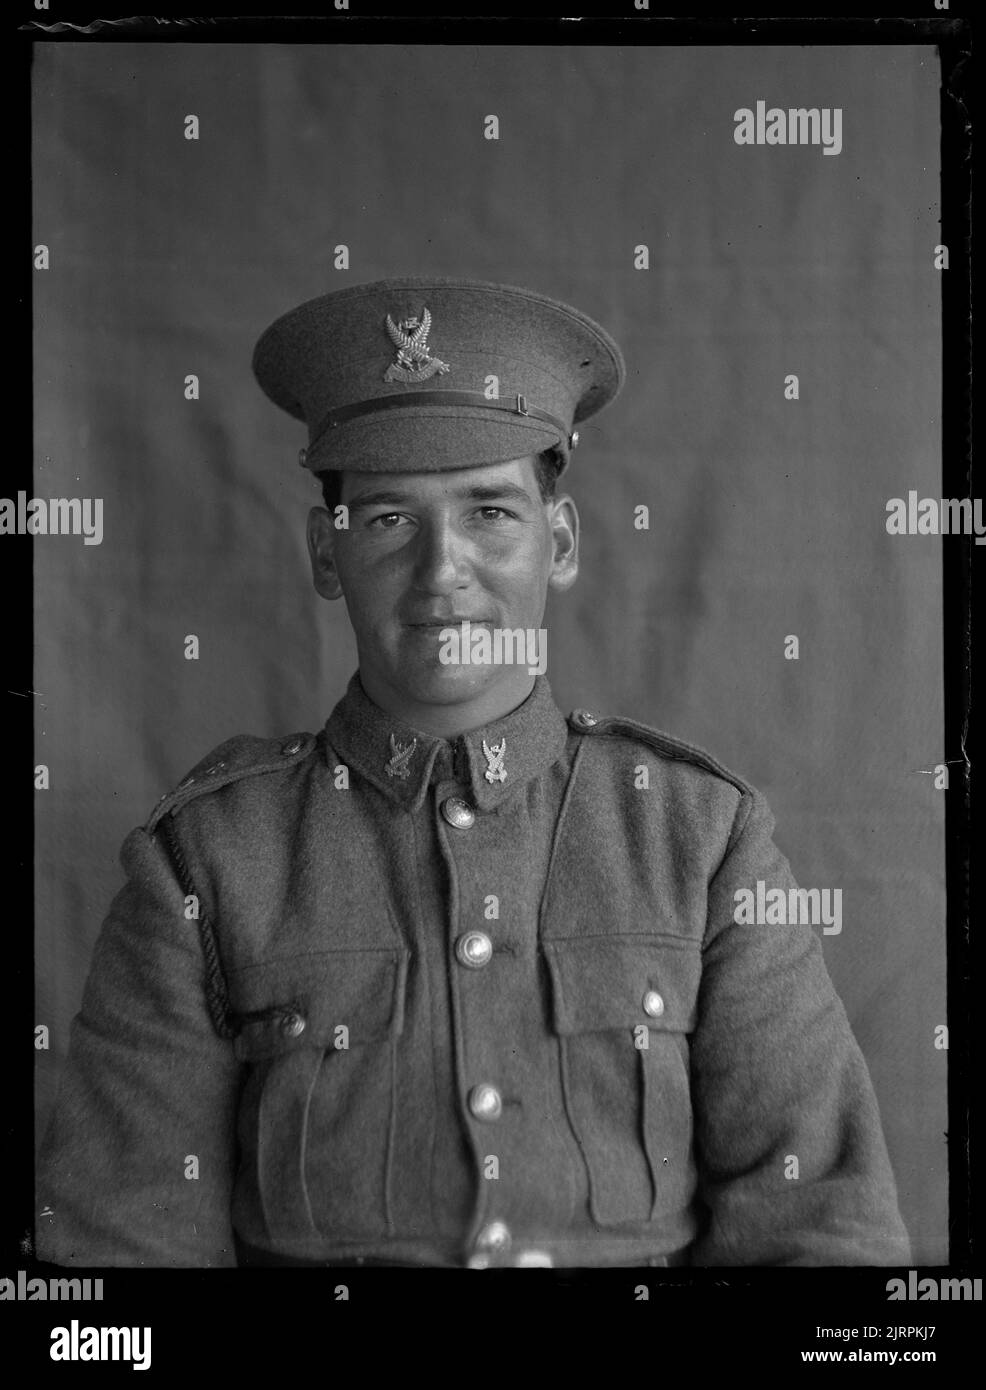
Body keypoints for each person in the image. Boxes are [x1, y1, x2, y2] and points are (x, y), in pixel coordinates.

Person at [36, 277, 911, 1268]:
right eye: (387, 521)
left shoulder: (698, 840)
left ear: (562, 540)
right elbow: (118, 1263)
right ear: (326, 554)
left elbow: (823, 1233)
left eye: (489, 510)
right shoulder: (206, 863)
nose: (441, 567)